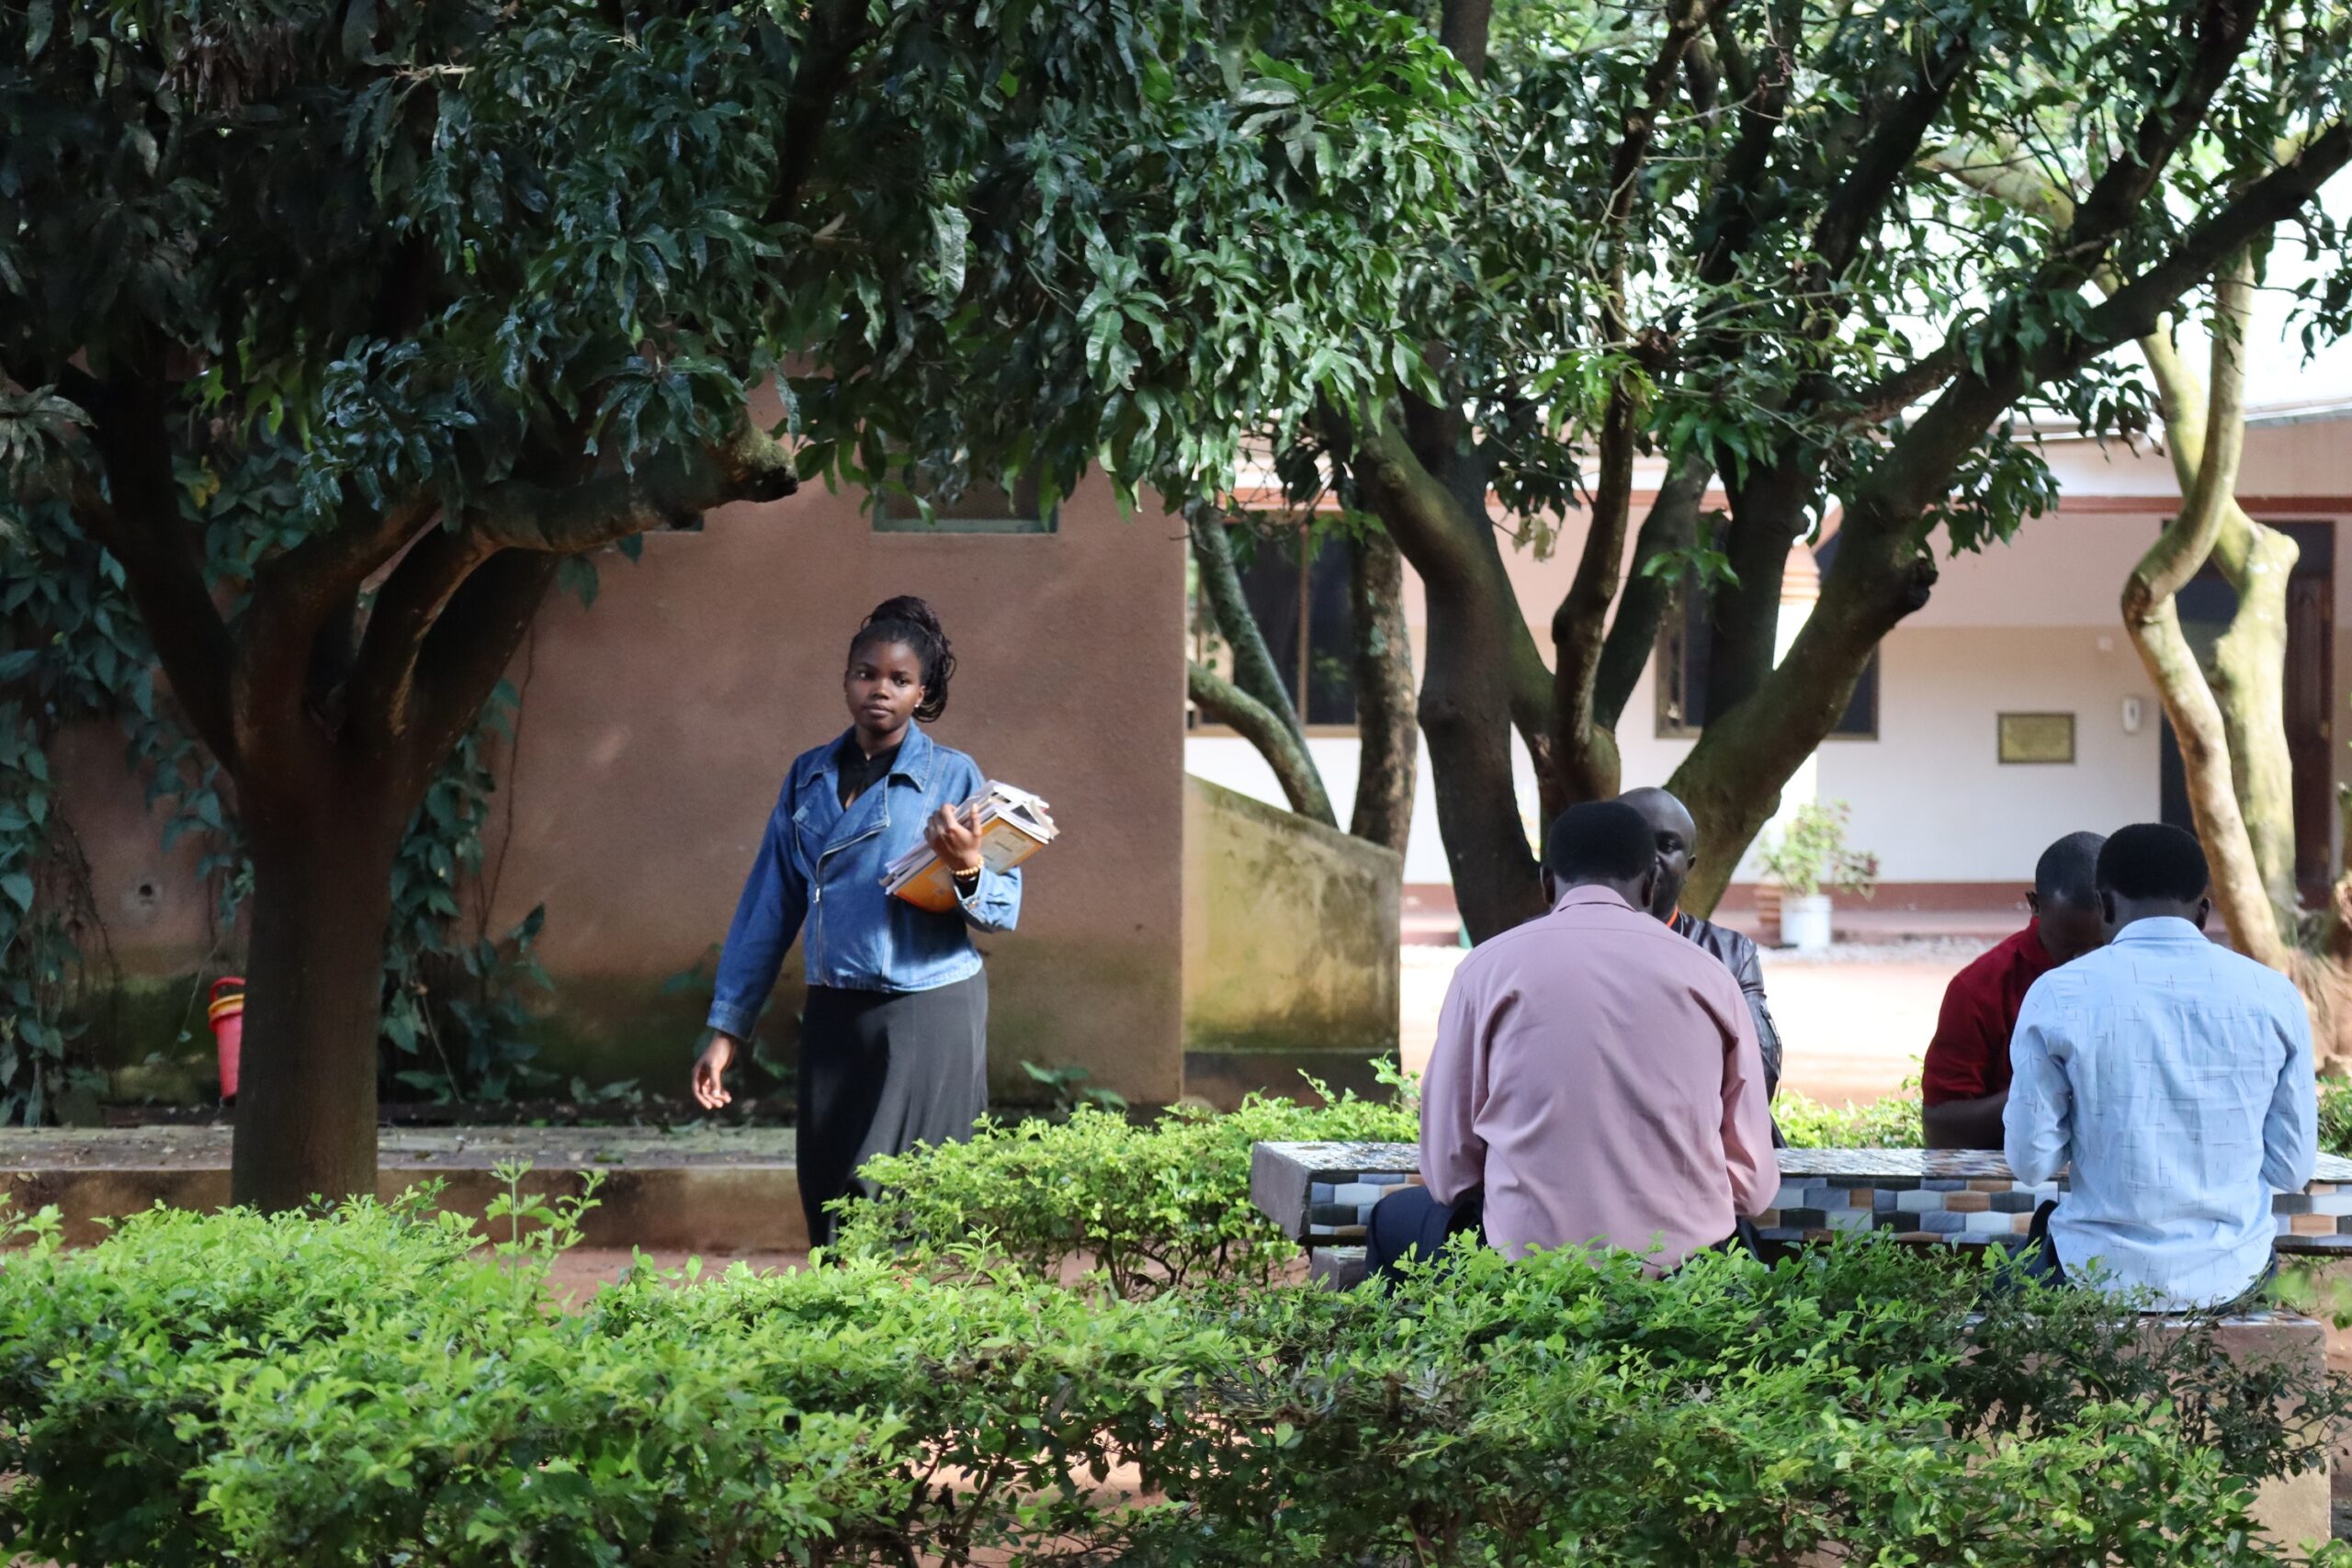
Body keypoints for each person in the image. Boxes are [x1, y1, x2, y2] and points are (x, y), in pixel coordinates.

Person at [690, 596, 1020, 1247]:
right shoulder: (807, 775)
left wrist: (969, 865)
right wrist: (727, 1027)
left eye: (900, 679)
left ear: (922, 691)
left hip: (927, 1010)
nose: (881, 690)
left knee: (902, 1202)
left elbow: (1002, 908)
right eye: (867, 673)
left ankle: (911, 1344)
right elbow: (768, 906)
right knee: (830, 1193)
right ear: (845, 679)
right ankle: (844, 1344)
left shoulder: (951, 775)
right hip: (836, 1010)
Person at [1369, 800, 1778, 1277]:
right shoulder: (1712, 978)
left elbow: (1448, 1173)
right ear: (1649, 884)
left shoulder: (1485, 971)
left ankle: (1426, 1352)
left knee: (1391, 1221)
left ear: (1547, 884)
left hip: (1525, 1266)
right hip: (1682, 1271)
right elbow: (1750, 1184)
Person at [2005, 823, 2315, 1310]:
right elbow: (2292, 1169)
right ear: (2203, 912)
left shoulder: (2057, 994)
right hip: (2235, 1274)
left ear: (2104, 906)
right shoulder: (2273, 996)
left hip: (2093, 1272)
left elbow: (2030, 1163)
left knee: (1999, 1299)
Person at [1919, 831, 2108, 1149]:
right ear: (2035, 905)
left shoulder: (2150, 978)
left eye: (2102, 945)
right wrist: (2043, 1088)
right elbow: (1942, 1128)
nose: (2084, 962)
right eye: (2071, 947)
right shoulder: (1978, 989)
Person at [1620, 786, 1784, 1100]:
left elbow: (1757, 1074)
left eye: (1667, 846)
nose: (1650, 858)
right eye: (1635, 842)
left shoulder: (1730, 954)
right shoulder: (1553, 946)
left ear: (1689, 868)